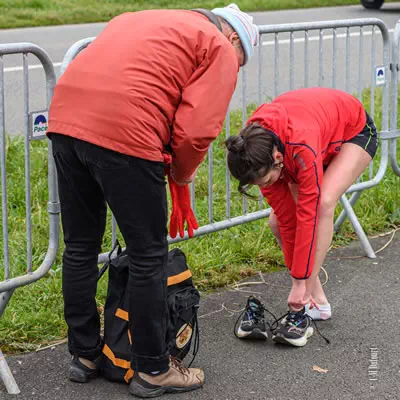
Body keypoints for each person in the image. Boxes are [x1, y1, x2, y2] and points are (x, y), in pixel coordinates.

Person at [47, 4, 258, 398]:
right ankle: (153, 369)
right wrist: (180, 176)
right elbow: (196, 131)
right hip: (127, 130)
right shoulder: (218, 46)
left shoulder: (145, 17)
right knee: (148, 255)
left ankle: (84, 354)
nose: (236, 68)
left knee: (79, 246)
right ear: (234, 39)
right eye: (241, 62)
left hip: (64, 121)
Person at [226, 87, 378, 347]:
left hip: (353, 132)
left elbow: (308, 216)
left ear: (276, 160)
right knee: (276, 221)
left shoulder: (299, 145)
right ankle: (316, 303)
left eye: (265, 181)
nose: (263, 186)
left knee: (322, 204)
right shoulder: (252, 148)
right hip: (312, 139)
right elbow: (287, 220)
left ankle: (306, 293)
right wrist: (298, 279)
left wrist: (299, 281)